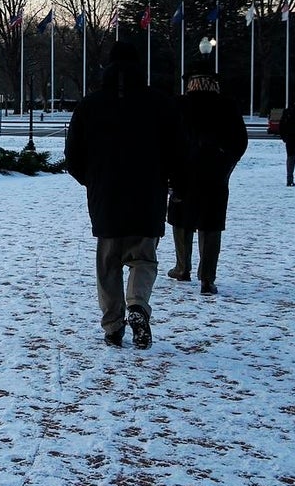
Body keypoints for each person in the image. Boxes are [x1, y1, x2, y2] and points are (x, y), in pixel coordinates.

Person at [65, 41, 182, 350]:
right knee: (144, 258)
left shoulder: (90, 106)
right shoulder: (160, 103)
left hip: (106, 195)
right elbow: (178, 151)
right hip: (148, 194)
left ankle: (113, 325)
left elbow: (73, 156)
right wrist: (168, 181)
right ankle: (138, 306)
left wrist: (93, 182)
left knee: (108, 263)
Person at [166, 66, 248, 296]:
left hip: (183, 173)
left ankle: (183, 267)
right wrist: (225, 162)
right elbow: (240, 142)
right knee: (211, 225)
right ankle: (207, 278)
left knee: (181, 221)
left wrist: (171, 169)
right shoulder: (227, 105)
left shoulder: (179, 104)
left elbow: (167, 139)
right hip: (215, 175)